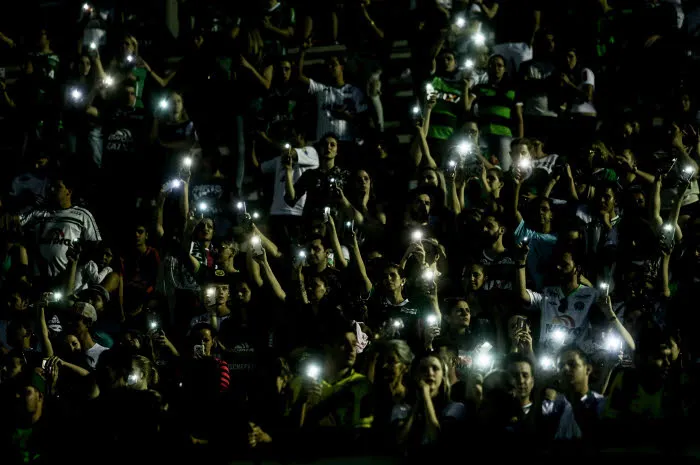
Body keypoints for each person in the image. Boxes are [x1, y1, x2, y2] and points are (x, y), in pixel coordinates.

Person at [21, 176, 101, 283]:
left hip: (68, 279)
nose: (52, 190)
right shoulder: (38, 213)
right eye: (51, 187)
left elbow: (95, 244)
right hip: (40, 278)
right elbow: (16, 221)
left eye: (58, 187)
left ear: (69, 191)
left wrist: (76, 265)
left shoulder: (83, 215)